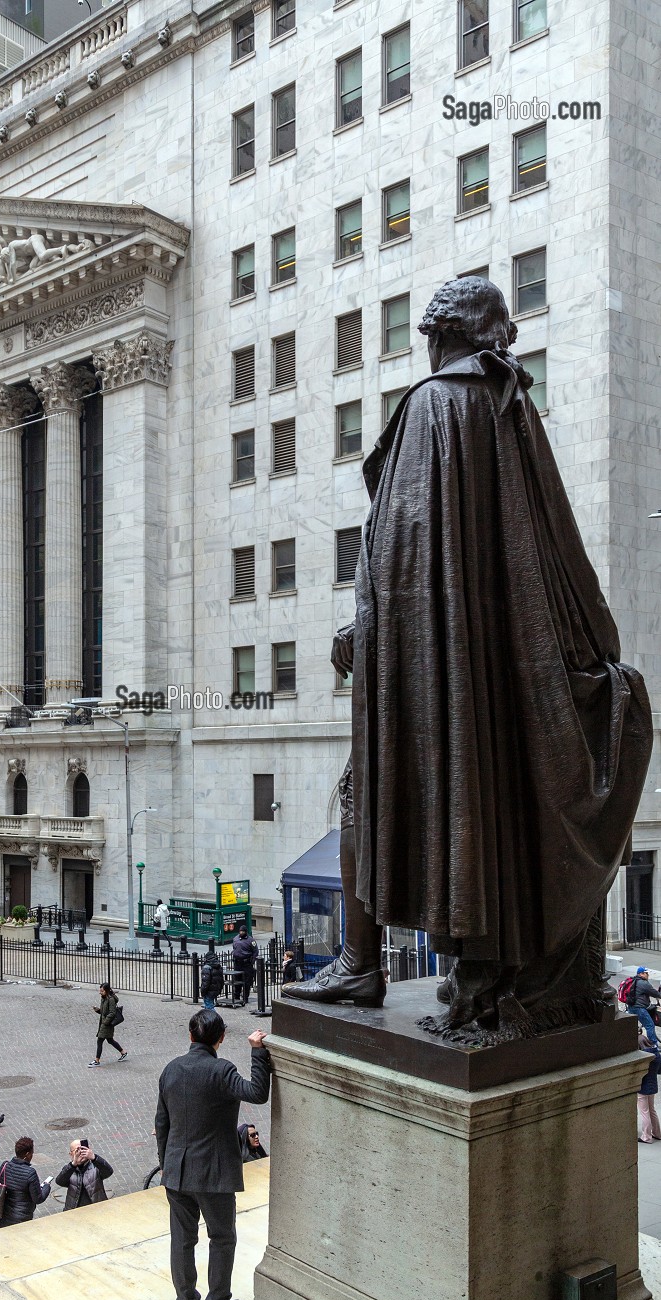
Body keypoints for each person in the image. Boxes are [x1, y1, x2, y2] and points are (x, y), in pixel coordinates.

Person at [285, 277, 652, 1042]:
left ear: (436, 335)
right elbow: (545, 549)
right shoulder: (505, 406)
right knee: (455, 804)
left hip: (432, 670)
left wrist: (369, 634)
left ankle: (359, 963)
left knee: (361, 795)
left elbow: (403, 550)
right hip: (486, 670)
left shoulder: (435, 405)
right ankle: (459, 969)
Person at [155, 1009, 271, 1300]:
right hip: (214, 1175)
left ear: (190, 1036)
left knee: (182, 1240)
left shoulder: (171, 1070)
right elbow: (258, 1093)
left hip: (177, 1172)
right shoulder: (221, 1071)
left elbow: (161, 1123)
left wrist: (165, 1164)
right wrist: (257, 1052)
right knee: (221, 1238)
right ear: (220, 1039)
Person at [0, 1136, 52, 1227]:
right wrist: (46, 1186)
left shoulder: (5, 1166)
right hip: (22, 1218)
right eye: (32, 1153)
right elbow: (38, 1198)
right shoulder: (30, 1172)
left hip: (4, 1216)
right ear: (27, 1154)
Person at [55, 1139, 114, 1209]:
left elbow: (108, 1172)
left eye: (82, 1149)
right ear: (71, 1154)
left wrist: (94, 1158)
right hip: (75, 1210)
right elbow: (60, 1181)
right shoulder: (69, 1169)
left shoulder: (95, 1166)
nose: (80, 1153)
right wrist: (73, 1164)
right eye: (77, 1150)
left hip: (97, 1209)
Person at [89, 982, 127, 1067]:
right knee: (110, 1040)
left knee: (100, 1040)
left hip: (107, 1024)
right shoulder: (104, 998)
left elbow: (112, 1013)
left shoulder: (110, 999)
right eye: (100, 991)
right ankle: (123, 1052)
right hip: (105, 1022)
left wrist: (106, 1021)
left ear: (106, 991)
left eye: (102, 991)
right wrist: (98, 1010)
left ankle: (97, 1060)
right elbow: (104, 1011)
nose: (100, 992)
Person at [627, 968, 661, 1048]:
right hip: (639, 1008)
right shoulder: (643, 983)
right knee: (650, 1025)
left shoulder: (634, 980)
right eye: (646, 973)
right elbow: (655, 993)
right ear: (641, 974)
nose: (648, 975)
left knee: (633, 1025)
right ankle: (653, 1045)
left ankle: (632, 1042)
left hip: (631, 1006)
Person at [637, 1032, 661, 1143]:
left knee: (644, 1112)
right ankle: (657, 1133)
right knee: (652, 1110)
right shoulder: (656, 1055)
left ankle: (646, 1136)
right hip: (653, 1086)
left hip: (643, 1087)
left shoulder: (644, 1058)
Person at [230, 929, 258, 1007]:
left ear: (246, 932)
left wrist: (252, 961)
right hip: (237, 963)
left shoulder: (251, 940)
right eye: (240, 931)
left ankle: (245, 997)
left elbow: (255, 951)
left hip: (246, 964)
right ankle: (236, 996)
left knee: (247, 981)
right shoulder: (235, 938)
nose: (241, 932)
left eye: (243, 931)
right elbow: (234, 948)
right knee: (237, 980)